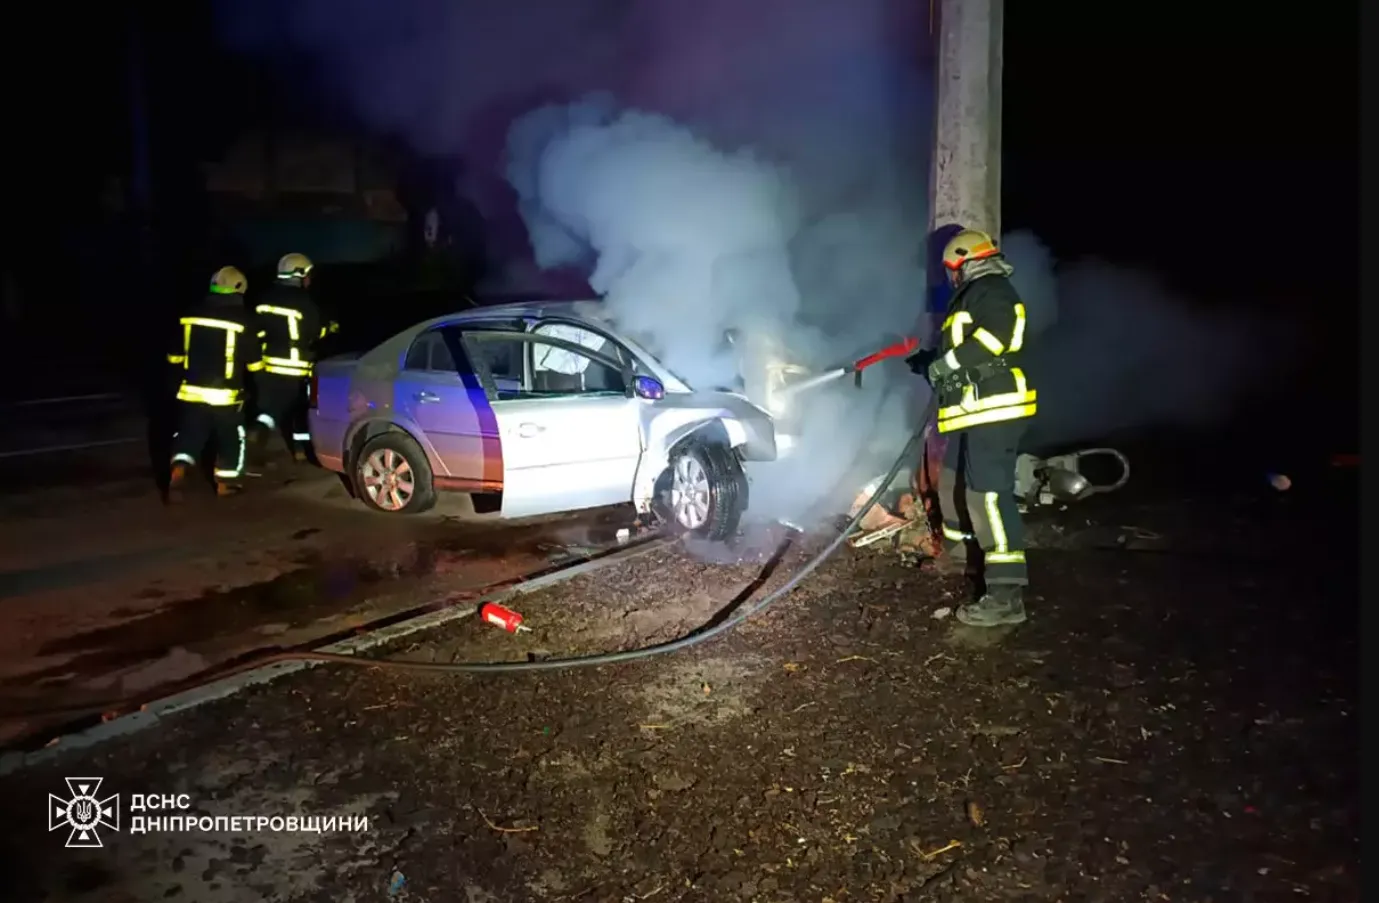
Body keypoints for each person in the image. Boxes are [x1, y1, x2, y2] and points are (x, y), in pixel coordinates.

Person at [907, 228, 1038, 626]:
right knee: (951, 484)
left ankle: (1006, 594)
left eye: (951, 269)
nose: (951, 277)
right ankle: (965, 558)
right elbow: (960, 354)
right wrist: (929, 360)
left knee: (989, 498)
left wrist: (943, 365)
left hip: (995, 410)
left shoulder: (993, 289)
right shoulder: (971, 297)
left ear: (962, 262)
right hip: (972, 411)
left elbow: (1000, 335)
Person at [167, 266, 264, 498]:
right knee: (231, 437)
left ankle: (179, 468)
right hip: (225, 395)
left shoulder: (190, 314)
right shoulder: (244, 320)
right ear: (238, 290)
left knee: (190, 433)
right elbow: (254, 364)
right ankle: (226, 484)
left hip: (190, 391)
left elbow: (174, 357)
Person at [250, 252, 335, 461]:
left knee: (271, 405)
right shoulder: (305, 302)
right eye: (307, 274)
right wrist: (329, 328)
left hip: (268, 364)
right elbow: (314, 331)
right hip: (296, 366)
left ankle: (259, 426)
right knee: (299, 409)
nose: (309, 279)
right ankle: (300, 450)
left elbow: (257, 331)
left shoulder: (264, 298)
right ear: (299, 275)